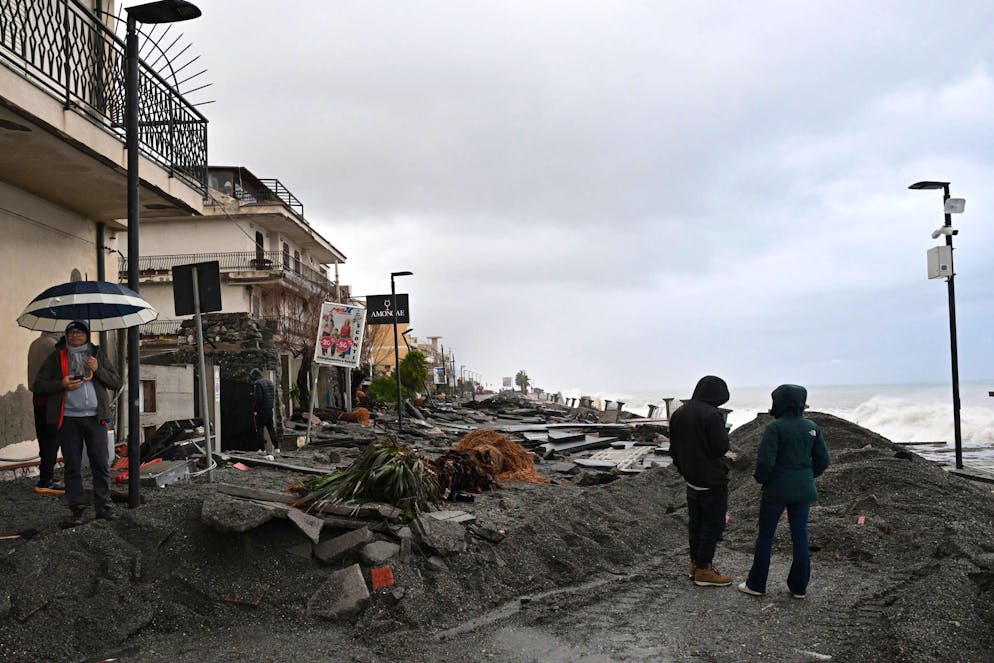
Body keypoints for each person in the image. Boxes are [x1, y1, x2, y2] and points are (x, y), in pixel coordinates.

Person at [738, 384, 831, 599]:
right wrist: (808, 475)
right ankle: (799, 587)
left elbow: (765, 461)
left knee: (766, 536)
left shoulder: (775, 428)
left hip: (776, 489)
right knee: (800, 535)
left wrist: (761, 479)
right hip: (803, 489)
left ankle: (756, 584)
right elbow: (823, 460)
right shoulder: (812, 427)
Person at [32, 320, 121, 527]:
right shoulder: (57, 356)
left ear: (87, 335)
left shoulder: (96, 355)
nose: (75, 335)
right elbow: (39, 385)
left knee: (100, 464)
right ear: (66, 335)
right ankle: (77, 510)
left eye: (80, 332)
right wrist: (61, 384)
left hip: (95, 419)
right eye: (71, 332)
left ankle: (104, 508)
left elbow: (116, 382)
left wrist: (98, 369)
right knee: (72, 466)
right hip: (68, 419)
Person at [669, 375, 733, 587]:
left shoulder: (679, 412)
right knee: (712, 524)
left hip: (691, 478)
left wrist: (683, 468)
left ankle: (695, 563)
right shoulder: (712, 415)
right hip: (711, 479)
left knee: (696, 523)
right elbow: (720, 447)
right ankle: (704, 570)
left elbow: (673, 448)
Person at [28, 331, 63, 494]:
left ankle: (46, 475)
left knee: (44, 437)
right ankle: (45, 480)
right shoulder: (52, 345)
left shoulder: (35, 343)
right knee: (52, 439)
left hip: (38, 397)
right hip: (51, 398)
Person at [250, 368, 278, 455]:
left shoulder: (258, 383)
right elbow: (273, 396)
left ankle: (262, 449)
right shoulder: (270, 382)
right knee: (271, 429)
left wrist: (254, 409)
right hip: (269, 409)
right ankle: (277, 448)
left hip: (261, 410)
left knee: (260, 429)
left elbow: (258, 398)